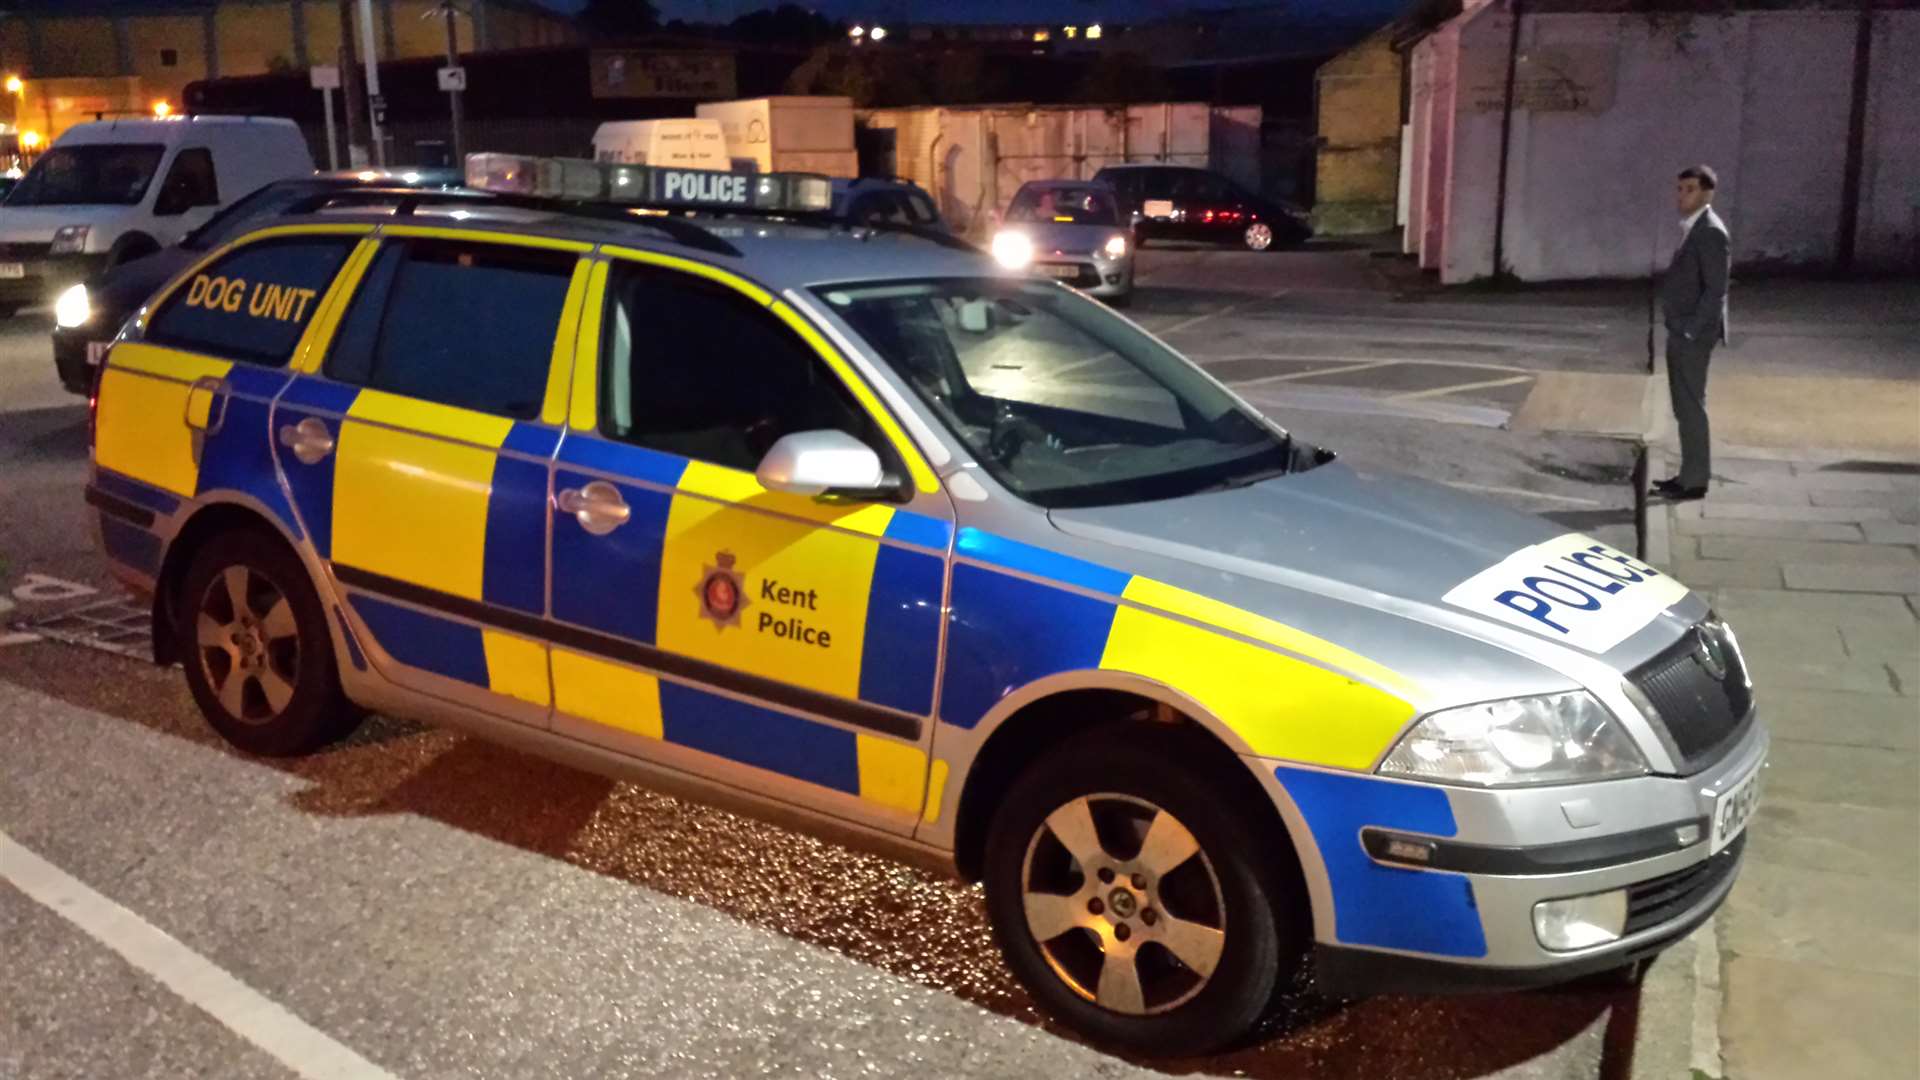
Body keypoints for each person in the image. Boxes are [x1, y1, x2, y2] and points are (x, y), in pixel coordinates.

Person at [1654, 165, 1731, 500]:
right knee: (1684, 407)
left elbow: (1716, 290)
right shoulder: (1694, 227)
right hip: (1683, 330)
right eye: (1680, 188)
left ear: (1707, 193)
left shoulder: (1710, 232)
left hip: (1692, 335)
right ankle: (1688, 476)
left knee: (1691, 407)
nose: (1682, 195)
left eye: (1689, 189)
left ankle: (1695, 481)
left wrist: (1690, 330)